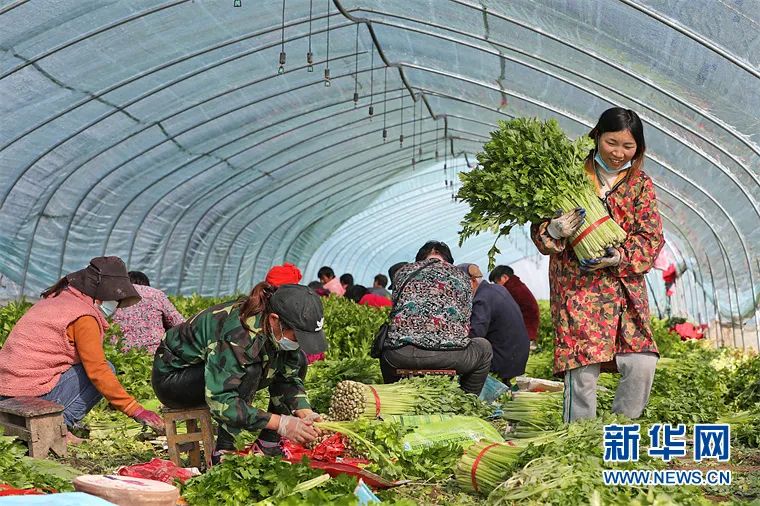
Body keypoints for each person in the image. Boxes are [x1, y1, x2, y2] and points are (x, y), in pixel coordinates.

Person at [530, 107, 663, 422]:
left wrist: (619, 256)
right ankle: (579, 440)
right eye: (611, 143)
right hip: (579, 290)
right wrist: (552, 230)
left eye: (628, 146)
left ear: (638, 148)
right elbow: (541, 237)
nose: (618, 153)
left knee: (642, 361)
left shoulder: (639, 184)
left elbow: (651, 238)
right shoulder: (570, 175)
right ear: (597, 137)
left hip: (624, 290)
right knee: (582, 370)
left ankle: (621, 427)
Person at [152, 283, 328, 457]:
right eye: (297, 336)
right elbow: (221, 401)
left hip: (210, 374)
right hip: (174, 381)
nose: (298, 342)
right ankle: (224, 449)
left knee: (300, 361)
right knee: (250, 370)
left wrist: (304, 411)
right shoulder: (238, 334)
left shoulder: (276, 329)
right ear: (275, 320)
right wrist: (280, 423)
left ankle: (268, 442)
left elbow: (288, 379)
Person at [0, 257, 164, 439]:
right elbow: (98, 370)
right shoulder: (83, 317)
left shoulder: (57, 299)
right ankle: (59, 428)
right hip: (24, 393)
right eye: (115, 299)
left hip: (6, 389)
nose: (115, 305)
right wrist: (135, 410)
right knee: (105, 369)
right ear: (102, 294)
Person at [378, 241, 493, 394]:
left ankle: (394, 394)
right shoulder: (461, 276)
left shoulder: (403, 273)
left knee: (385, 345)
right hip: (449, 357)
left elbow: (396, 312)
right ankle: (466, 400)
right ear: (449, 262)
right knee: (484, 348)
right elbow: (466, 322)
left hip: (400, 355)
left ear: (419, 260)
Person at [460, 264, 529, 385]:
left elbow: (475, 334)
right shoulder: (496, 289)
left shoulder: (482, 299)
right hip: (516, 356)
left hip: (503, 361)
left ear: (472, 281)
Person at [111, 271, 185, 352]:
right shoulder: (155, 295)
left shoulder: (113, 296)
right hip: (154, 355)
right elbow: (180, 324)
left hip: (118, 354)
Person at [489, 265, 540, 342]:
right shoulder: (517, 286)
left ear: (505, 277)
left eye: (496, 282)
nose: (496, 286)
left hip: (523, 330)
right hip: (527, 329)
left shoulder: (512, 290)